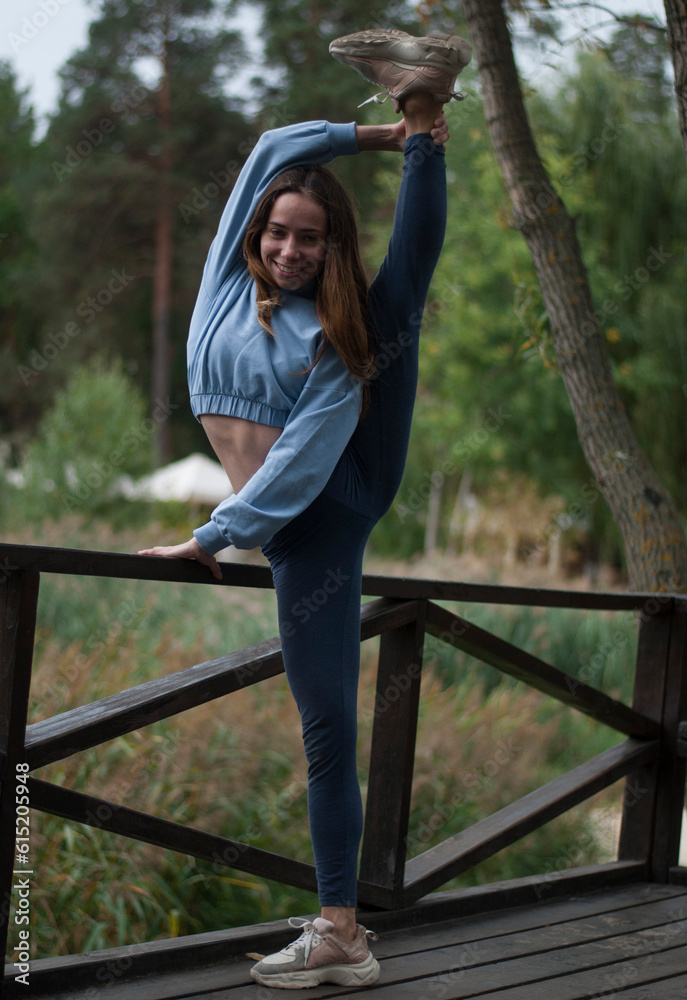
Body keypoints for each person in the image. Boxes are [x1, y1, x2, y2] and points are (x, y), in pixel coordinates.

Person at [139, 27, 471, 991]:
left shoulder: (335, 335)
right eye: (278, 232)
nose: (289, 248)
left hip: (329, 505)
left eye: (310, 238)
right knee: (322, 719)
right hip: (281, 521)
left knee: (397, 301)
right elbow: (276, 147)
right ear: (257, 232)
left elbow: (302, 458)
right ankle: (421, 116)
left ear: (329, 247)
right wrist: (372, 136)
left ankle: (341, 932)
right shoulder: (216, 287)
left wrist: (214, 534)